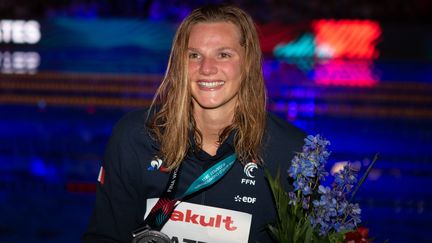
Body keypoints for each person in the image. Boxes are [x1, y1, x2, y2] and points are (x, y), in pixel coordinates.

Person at [84, 4, 305, 243]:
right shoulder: (136, 137)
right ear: (180, 64)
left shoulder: (290, 153)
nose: (206, 69)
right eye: (194, 55)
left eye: (223, 54)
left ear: (248, 62)